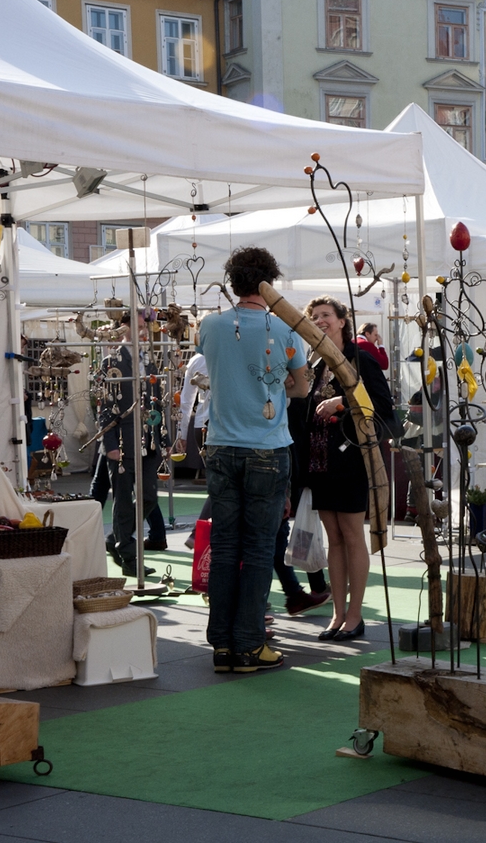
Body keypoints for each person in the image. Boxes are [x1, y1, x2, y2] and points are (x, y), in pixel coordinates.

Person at [198, 247, 307, 673]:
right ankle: (249, 643)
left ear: (233, 282)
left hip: (222, 446)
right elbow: (298, 388)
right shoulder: (284, 330)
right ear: (268, 283)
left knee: (226, 546)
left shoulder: (210, 326)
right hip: (267, 446)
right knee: (260, 548)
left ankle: (223, 646)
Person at [297, 296, 395, 642]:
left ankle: (355, 615)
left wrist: (343, 399)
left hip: (351, 458)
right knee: (333, 539)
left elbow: (383, 406)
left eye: (325, 315)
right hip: (321, 462)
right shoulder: (317, 363)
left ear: (342, 320)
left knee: (352, 536)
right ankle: (338, 614)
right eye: (314, 316)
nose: (319, 320)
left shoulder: (360, 358)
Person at [100, 315, 169, 576]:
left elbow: (158, 402)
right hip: (121, 441)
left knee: (149, 496)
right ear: (124, 326)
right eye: (137, 324)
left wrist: (163, 439)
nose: (142, 329)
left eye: (144, 324)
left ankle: (115, 539)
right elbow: (105, 406)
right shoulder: (111, 362)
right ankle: (129, 558)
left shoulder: (149, 360)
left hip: (149, 440)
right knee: (124, 502)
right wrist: (109, 443)